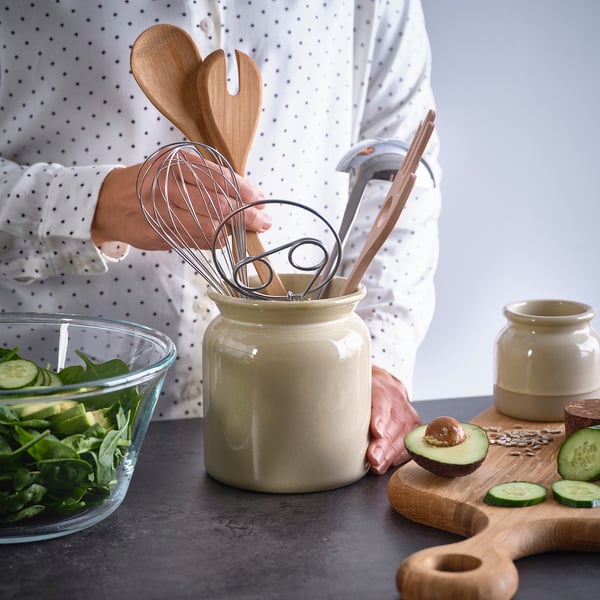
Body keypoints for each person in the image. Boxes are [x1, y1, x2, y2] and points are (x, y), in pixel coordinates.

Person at [0, 0, 441, 475]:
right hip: (50, 431)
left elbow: (401, 171)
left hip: (310, 426)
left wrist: (378, 359)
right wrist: (91, 203)